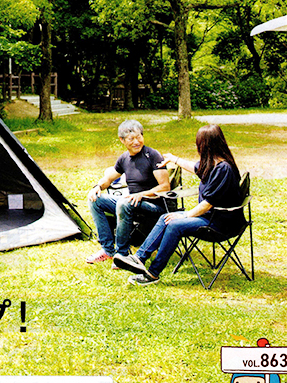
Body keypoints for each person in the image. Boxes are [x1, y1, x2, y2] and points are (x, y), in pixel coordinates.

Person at [120, 123, 241, 285]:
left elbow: (207, 204)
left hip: (221, 225)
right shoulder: (213, 164)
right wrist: (174, 159)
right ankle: (138, 258)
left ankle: (152, 274)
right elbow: (195, 168)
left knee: (174, 225)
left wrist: (184, 215)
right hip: (211, 218)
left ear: (205, 145)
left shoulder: (223, 169)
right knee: (165, 217)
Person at [86, 119, 170, 264]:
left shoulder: (153, 155)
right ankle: (108, 250)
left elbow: (165, 187)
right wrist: (97, 187)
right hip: (132, 203)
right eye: (131, 139)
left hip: (155, 206)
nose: (136, 142)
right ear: (122, 140)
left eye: (139, 137)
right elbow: (109, 178)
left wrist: (141, 195)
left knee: (124, 203)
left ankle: (122, 254)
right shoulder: (124, 159)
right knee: (95, 200)